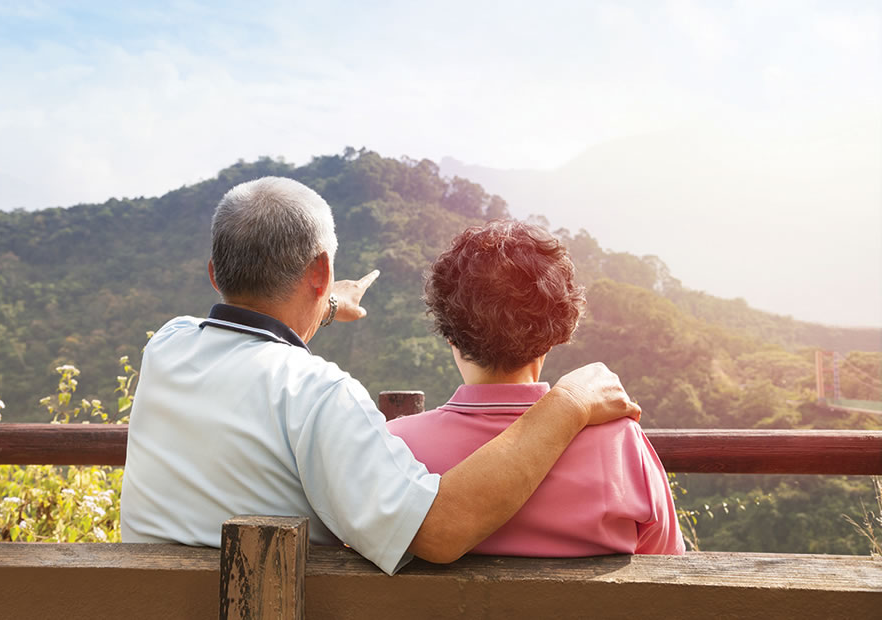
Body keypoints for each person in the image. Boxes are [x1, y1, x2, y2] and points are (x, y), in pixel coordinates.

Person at [119, 177, 643, 575]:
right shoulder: (320, 395)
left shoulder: (167, 345)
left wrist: (321, 305)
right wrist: (569, 402)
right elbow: (438, 533)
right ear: (322, 272)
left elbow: (254, 335)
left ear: (214, 272)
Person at [387, 220, 684, 556]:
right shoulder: (621, 445)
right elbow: (667, 564)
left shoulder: (393, 447)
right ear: (556, 332)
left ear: (449, 334)